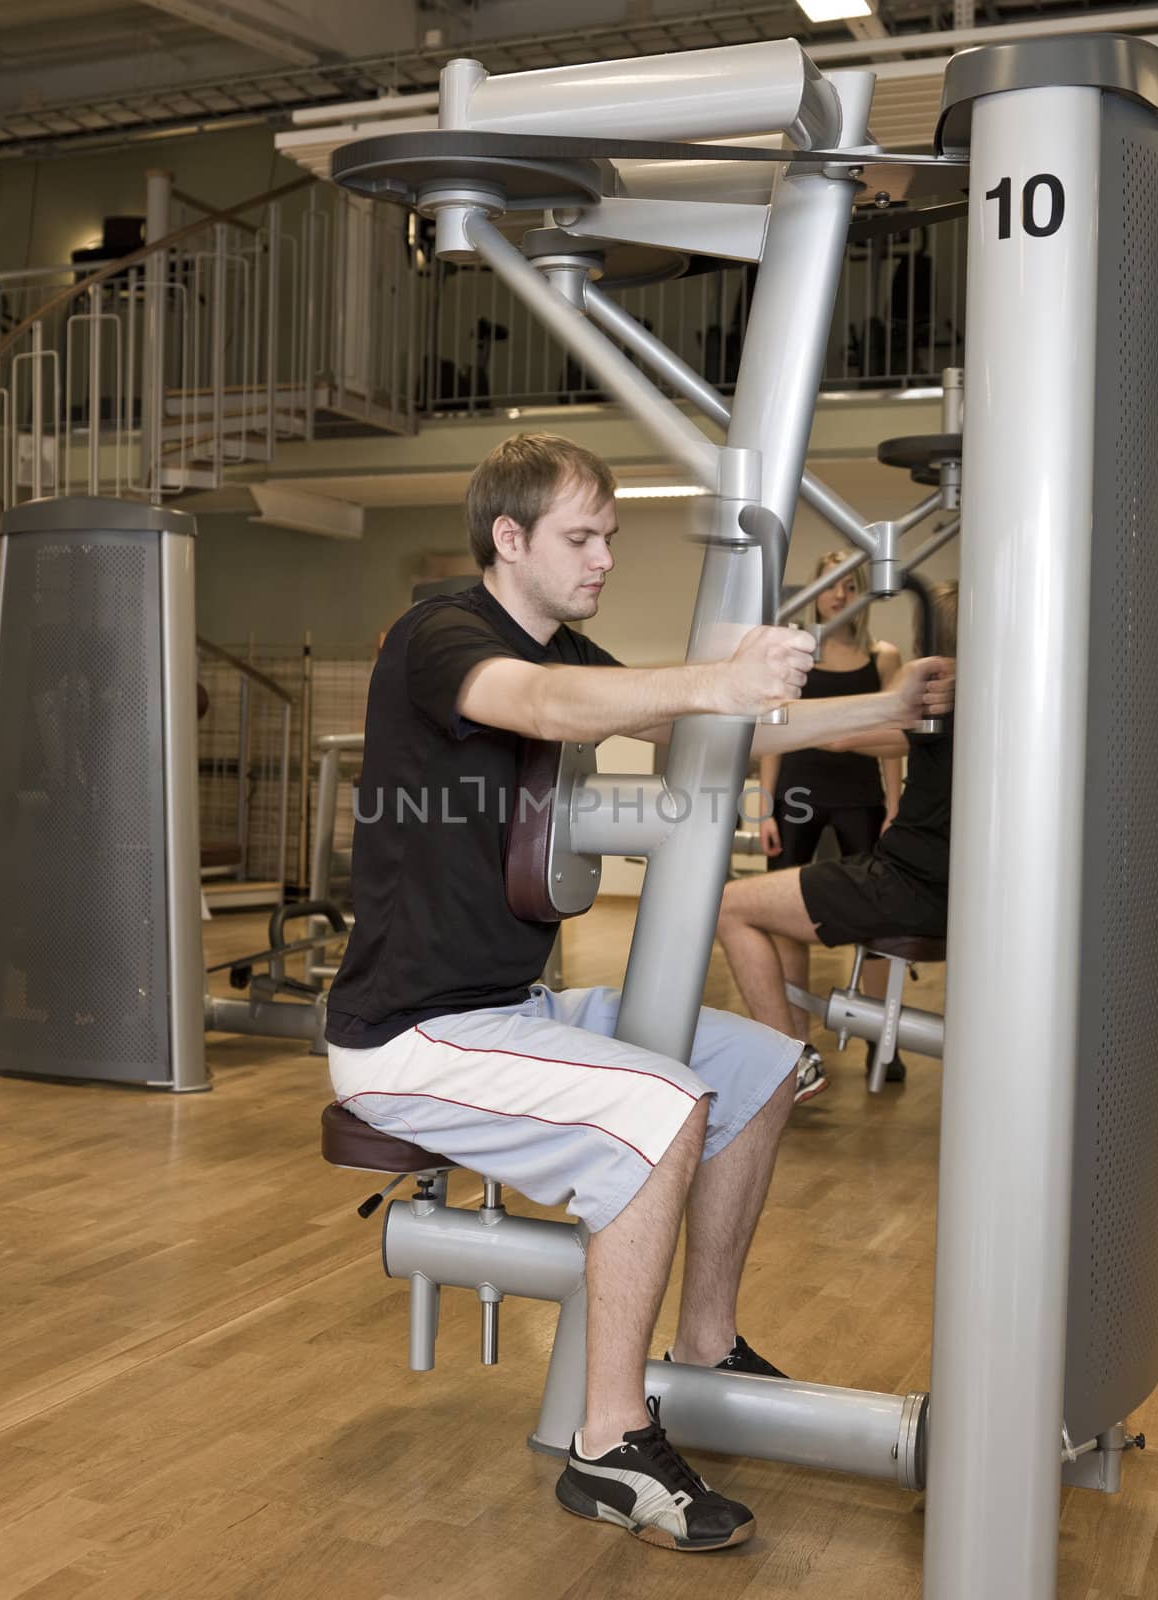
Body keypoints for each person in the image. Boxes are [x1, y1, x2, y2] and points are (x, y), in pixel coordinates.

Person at [324, 434, 952, 1553]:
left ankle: (704, 1348)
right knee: (662, 1105)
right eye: (582, 535)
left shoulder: (563, 641)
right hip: (409, 1036)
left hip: (506, 1011)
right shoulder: (444, 636)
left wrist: (880, 712)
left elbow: (694, 723)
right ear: (508, 539)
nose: (605, 554)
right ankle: (607, 1443)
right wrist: (716, 674)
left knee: (759, 1070)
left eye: (610, 534)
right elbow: (547, 704)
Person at [717, 584, 958, 1054]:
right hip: (929, 880)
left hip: (908, 884)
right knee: (775, 901)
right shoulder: (997, 705)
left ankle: (789, 1059)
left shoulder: (937, 700)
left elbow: (843, 738)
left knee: (728, 905)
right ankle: (809, 1048)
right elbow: (880, 740)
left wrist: (759, 702)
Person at [758, 552, 904, 1091]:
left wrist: (894, 805)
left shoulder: (881, 657)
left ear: (865, 592)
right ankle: (796, 1043)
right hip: (797, 791)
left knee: (878, 919)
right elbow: (775, 730)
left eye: (851, 586)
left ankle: (879, 1042)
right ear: (815, 592)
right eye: (830, 586)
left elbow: (894, 738)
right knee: (781, 909)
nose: (839, 596)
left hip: (859, 793)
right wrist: (765, 804)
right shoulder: (796, 651)